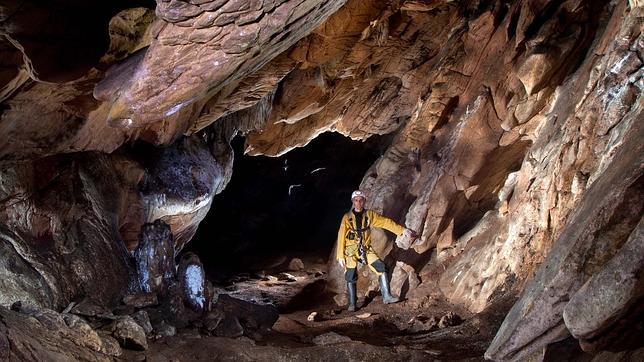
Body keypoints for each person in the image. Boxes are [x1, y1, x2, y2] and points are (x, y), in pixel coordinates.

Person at [336, 190, 417, 311]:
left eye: (361, 200)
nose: (358, 202)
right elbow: (341, 235)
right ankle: (352, 304)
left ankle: (387, 296)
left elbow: (385, 222)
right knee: (350, 275)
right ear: (353, 201)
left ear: (364, 201)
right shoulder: (347, 218)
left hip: (365, 249)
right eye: (356, 200)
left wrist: (402, 231)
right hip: (351, 251)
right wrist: (340, 255)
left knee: (381, 267)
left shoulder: (369, 215)